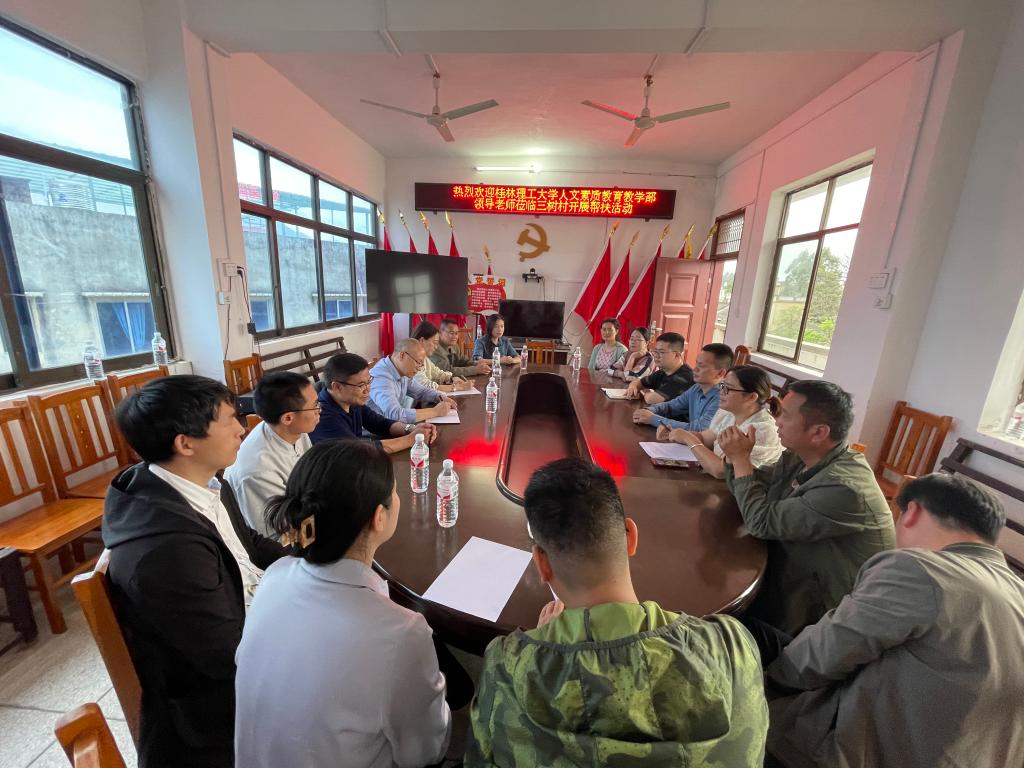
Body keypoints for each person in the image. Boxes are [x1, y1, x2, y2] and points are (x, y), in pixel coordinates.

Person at [466, 458, 768, 767]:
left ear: (542, 564)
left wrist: (547, 640)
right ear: (631, 536)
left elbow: (480, 758)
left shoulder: (508, 667)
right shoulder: (729, 646)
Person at [765, 474, 1024, 768]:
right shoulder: (1016, 590)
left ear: (911, 512)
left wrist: (761, 681)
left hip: (844, 753)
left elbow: (817, 658)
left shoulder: (919, 569)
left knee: (743, 641)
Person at [102, 375, 286, 768]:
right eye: (230, 420)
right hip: (217, 713)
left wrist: (309, 560)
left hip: (249, 626)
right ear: (185, 444)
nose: (242, 429)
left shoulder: (204, 482)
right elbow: (228, 655)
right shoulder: (166, 550)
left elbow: (248, 544)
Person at [235, 440, 454, 768]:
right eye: (394, 493)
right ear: (378, 517)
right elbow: (424, 751)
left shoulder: (275, 577)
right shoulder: (400, 631)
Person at [719, 379, 895, 635]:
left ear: (818, 433)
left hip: (822, 616)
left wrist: (740, 459)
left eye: (785, 415)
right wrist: (735, 459)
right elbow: (750, 488)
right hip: (789, 576)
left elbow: (760, 522)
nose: (776, 421)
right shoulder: (800, 457)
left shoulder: (844, 488)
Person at [224, 371, 319, 536]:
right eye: (315, 405)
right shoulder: (258, 470)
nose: (319, 410)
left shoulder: (293, 429)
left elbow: (312, 478)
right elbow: (275, 535)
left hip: (304, 513)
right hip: (279, 540)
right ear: (288, 418)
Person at [656, 364, 783, 479]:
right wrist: (675, 434)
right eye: (722, 385)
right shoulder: (728, 412)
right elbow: (705, 438)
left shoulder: (762, 430)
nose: (721, 392)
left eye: (728, 388)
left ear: (751, 397)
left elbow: (722, 471)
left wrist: (688, 438)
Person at [310, 352, 436, 453]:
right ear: (337, 387)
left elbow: (379, 423)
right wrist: (411, 439)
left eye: (369, 381)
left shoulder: (351, 400)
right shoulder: (322, 415)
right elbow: (359, 450)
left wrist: (411, 428)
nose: (367, 389)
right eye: (361, 385)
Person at [633, 343, 733, 432]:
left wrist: (653, 419)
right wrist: (649, 411)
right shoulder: (696, 388)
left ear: (720, 373)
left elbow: (700, 429)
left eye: (701, 366)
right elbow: (670, 406)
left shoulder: (722, 398)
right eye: (696, 363)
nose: (695, 369)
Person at [369, 338, 456, 424]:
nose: (419, 369)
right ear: (402, 355)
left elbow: (421, 391)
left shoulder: (401, 371)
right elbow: (395, 414)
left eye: (421, 364)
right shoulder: (381, 377)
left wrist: (439, 396)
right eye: (418, 362)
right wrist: (435, 411)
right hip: (378, 431)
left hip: (395, 426)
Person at [624, 331, 693, 404]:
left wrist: (644, 391)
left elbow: (651, 399)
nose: (656, 355)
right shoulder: (663, 372)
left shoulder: (684, 377)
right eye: (655, 351)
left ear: (677, 355)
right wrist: (633, 387)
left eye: (661, 352)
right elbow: (638, 382)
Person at [412, 320, 472, 392]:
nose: (436, 347)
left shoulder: (425, 358)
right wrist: (458, 387)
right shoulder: (412, 359)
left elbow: (438, 373)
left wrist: (451, 378)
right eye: (434, 343)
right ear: (422, 340)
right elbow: (425, 386)